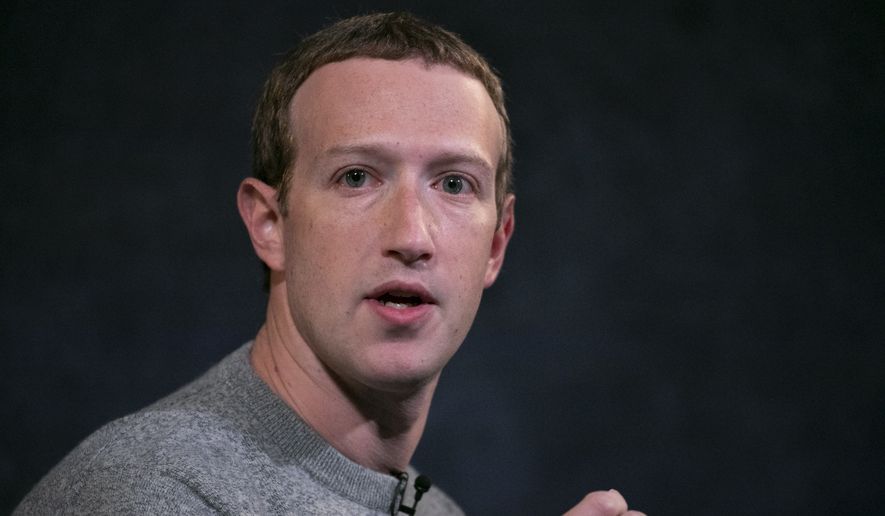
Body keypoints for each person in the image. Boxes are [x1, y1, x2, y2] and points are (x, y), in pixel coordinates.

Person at [16, 12, 644, 516]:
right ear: (271, 224)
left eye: (454, 184)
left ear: (497, 244)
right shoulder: (145, 494)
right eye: (356, 177)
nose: (411, 235)